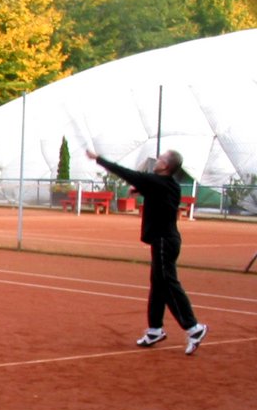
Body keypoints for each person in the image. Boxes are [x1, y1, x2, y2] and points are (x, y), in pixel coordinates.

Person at [86, 147, 207, 355]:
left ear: (166, 166)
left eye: (161, 159)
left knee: (167, 283)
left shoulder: (158, 182)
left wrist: (99, 159)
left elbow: (126, 173)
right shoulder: (169, 185)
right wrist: (141, 190)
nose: (157, 160)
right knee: (159, 285)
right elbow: (158, 192)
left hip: (164, 242)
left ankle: (193, 327)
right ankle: (155, 330)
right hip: (166, 241)